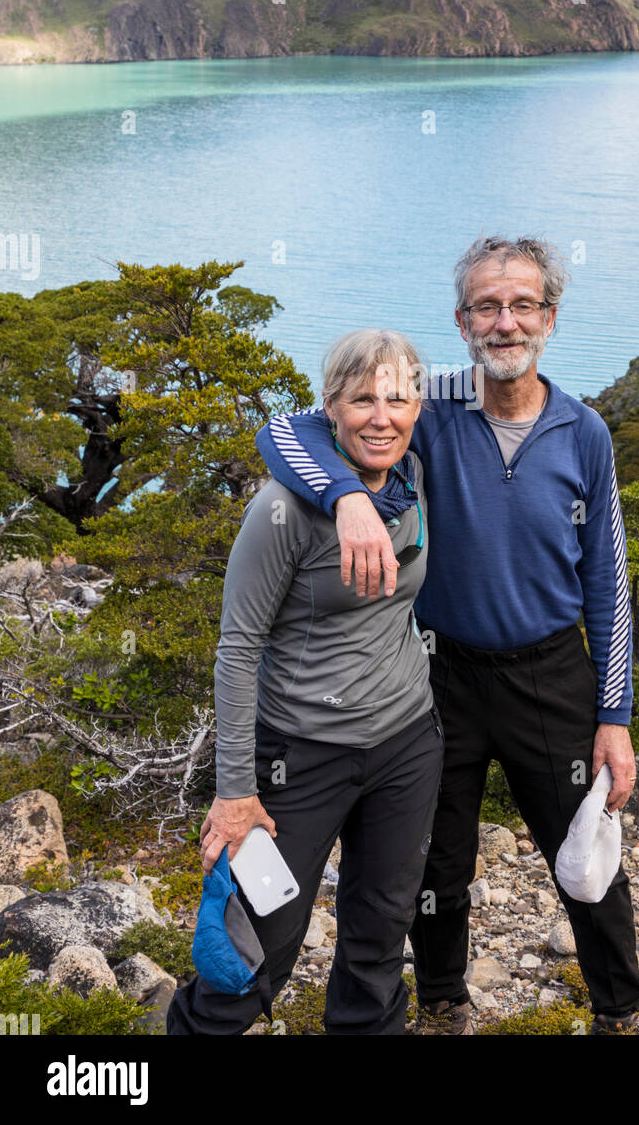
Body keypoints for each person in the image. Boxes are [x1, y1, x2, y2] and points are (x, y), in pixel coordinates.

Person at [255, 236, 639, 1036]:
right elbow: (286, 430)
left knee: (587, 850)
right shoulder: (427, 400)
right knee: (436, 859)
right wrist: (346, 497)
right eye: (487, 308)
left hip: (550, 672)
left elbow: (607, 581)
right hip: (436, 673)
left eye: (522, 305)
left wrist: (616, 717)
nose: (506, 323)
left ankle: (619, 1009)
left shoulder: (584, 432)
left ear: (550, 317)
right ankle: (440, 1002)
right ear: (462, 321)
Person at [167, 329, 443, 1036]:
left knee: (380, 934)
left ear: (418, 407)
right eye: (361, 399)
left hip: (407, 744)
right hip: (299, 754)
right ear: (330, 407)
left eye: (397, 398)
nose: (380, 416)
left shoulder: (415, 477)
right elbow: (237, 651)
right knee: (252, 947)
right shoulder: (280, 512)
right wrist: (234, 793)